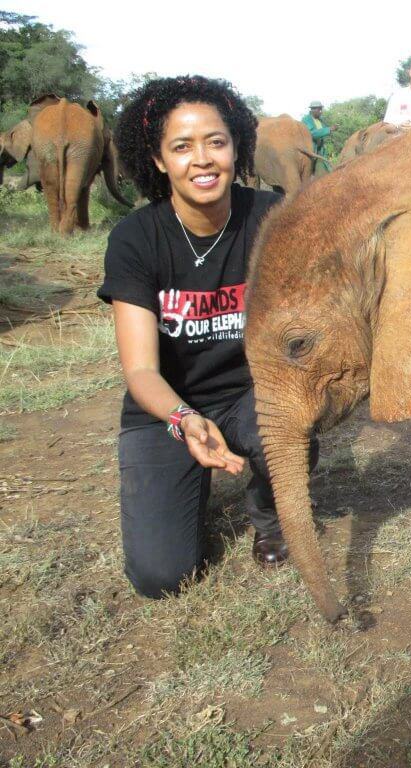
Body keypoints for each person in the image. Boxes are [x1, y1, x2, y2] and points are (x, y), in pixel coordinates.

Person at [99, 75, 305, 600]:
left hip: (251, 396)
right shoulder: (136, 239)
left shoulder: (270, 217)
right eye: (182, 146)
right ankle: (187, 479)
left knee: (291, 410)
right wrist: (185, 420)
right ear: (160, 160)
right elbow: (141, 371)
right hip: (166, 410)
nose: (203, 159)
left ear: (237, 146)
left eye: (216, 142)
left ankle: (270, 515)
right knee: (162, 577)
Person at [301, 101, 331, 174]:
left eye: (321, 109)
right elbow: (311, 134)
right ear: (313, 110)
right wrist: (329, 129)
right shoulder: (306, 120)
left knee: (322, 172)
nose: (321, 112)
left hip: (320, 151)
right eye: (319, 110)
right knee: (308, 172)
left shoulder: (320, 120)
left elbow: (323, 132)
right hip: (310, 151)